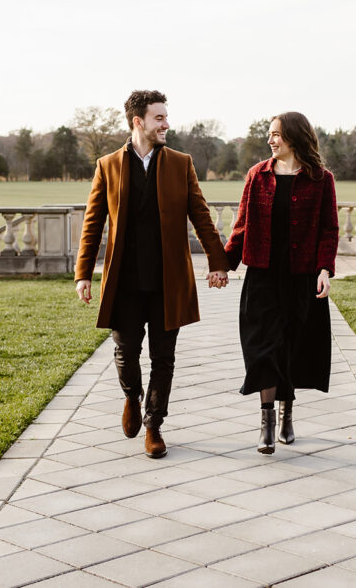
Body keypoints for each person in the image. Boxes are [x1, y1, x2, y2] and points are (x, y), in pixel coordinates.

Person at [75, 90, 230, 458]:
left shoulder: (181, 163)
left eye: (166, 116)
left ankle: (154, 426)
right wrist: (84, 273)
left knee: (164, 358)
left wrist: (218, 261)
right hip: (125, 281)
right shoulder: (108, 165)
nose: (166, 124)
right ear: (138, 122)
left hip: (167, 281)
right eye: (159, 118)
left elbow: (201, 215)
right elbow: (93, 222)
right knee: (126, 354)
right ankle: (132, 396)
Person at [224, 112, 339, 454]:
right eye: (269, 135)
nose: (270, 140)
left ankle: (287, 414)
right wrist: (223, 266)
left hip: (301, 277)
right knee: (263, 348)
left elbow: (328, 229)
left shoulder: (321, 179)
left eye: (276, 134)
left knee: (291, 348)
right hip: (262, 276)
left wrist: (324, 269)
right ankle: (267, 424)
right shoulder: (257, 176)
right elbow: (242, 226)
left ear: (294, 137)